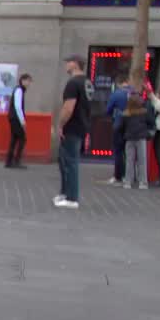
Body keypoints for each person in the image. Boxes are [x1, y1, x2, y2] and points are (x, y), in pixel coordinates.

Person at [56, 55, 93, 210]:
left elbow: (68, 107)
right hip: (82, 124)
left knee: (70, 162)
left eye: (68, 62)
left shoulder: (73, 83)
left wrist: (60, 124)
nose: (66, 65)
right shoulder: (87, 82)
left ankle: (71, 197)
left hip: (72, 126)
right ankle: (65, 193)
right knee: (64, 160)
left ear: (76, 64)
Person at [120, 92, 152, 189]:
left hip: (129, 138)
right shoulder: (144, 113)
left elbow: (121, 127)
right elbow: (150, 123)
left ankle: (128, 182)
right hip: (141, 138)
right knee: (142, 160)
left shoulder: (126, 114)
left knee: (129, 160)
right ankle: (143, 182)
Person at [103, 75, 131, 185]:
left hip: (119, 124)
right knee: (129, 152)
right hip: (133, 126)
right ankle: (128, 176)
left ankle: (118, 176)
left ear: (118, 83)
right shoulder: (135, 93)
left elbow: (108, 110)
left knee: (118, 151)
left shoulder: (117, 94)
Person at [6, 73, 32, 169]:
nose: (29, 83)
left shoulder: (19, 90)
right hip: (16, 118)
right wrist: (22, 121)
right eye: (28, 81)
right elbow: (18, 106)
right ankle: (16, 161)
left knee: (14, 139)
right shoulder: (19, 90)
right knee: (22, 138)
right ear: (23, 81)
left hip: (13, 117)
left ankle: (9, 161)